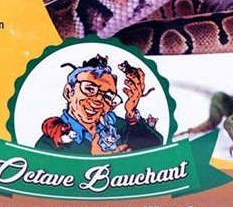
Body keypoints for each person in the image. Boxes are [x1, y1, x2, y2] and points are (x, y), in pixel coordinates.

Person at [34, 53, 162, 155]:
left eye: (108, 96)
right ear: (68, 92)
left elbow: (155, 146)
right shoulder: (49, 142)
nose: (98, 101)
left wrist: (131, 112)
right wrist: (96, 161)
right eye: (90, 89)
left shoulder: (115, 125)